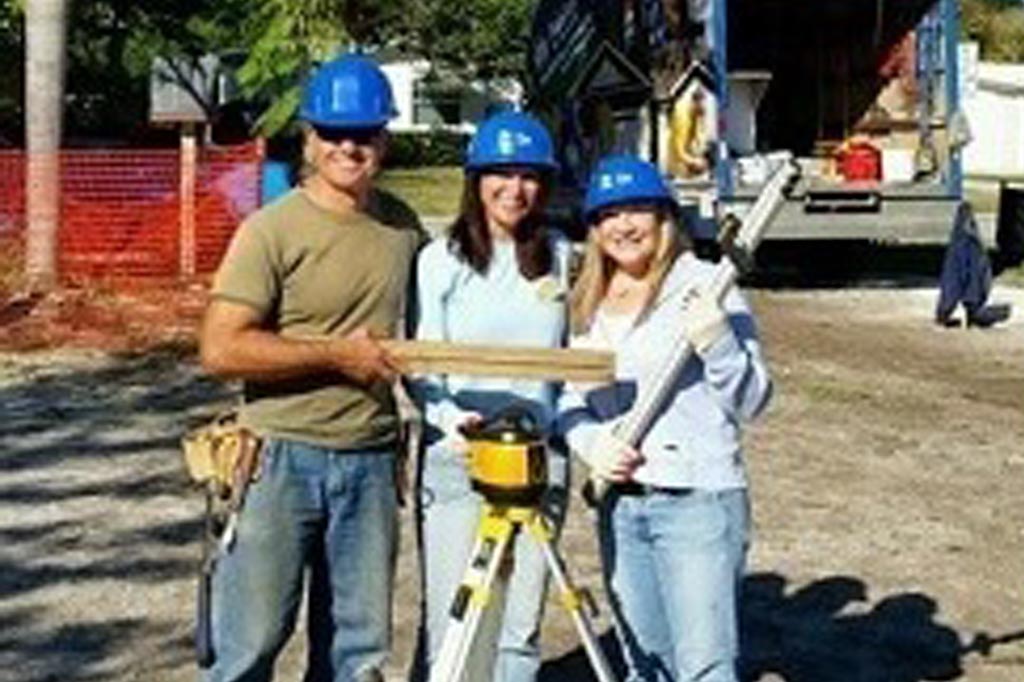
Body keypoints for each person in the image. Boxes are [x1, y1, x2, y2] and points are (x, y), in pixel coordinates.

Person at [199, 54, 424, 682]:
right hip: (279, 459)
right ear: (309, 137)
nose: (349, 148)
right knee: (250, 643)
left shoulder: (402, 227)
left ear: (385, 137)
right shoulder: (270, 230)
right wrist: (335, 353)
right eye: (334, 133)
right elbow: (220, 349)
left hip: (372, 460)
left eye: (365, 134)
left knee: (359, 652)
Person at [557, 154, 772, 682]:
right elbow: (566, 396)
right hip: (621, 506)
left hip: (697, 503)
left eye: (637, 210)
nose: (623, 226)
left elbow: (754, 401)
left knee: (704, 669)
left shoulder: (707, 287)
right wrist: (591, 442)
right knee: (643, 662)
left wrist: (720, 344)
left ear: (664, 217)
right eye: (609, 214)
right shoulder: (585, 301)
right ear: (594, 227)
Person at [410, 111, 570, 681]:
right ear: (475, 180)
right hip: (460, 459)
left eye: (529, 176)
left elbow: (578, 356)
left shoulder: (561, 256)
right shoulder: (439, 261)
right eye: (499, 174)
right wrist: (451, 419)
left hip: (537, 459)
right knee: (457, 625)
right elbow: (424, 360)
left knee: (517, 629)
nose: (514, 189)